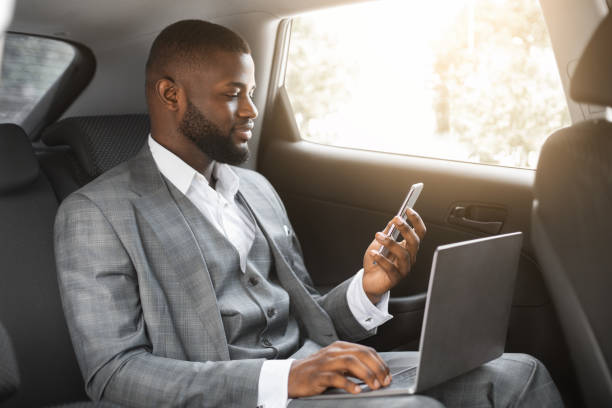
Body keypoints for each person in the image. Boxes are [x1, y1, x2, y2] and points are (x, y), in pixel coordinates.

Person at [54, 20, 563, 408]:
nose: (252, 110)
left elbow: (307, 320)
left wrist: (369, 287)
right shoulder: (95, 214)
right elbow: (113, 374)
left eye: (252, 92)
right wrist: (286, 379)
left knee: (521, 374)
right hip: (245, 397)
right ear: (171, 95)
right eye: (234, 95)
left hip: (318, 374)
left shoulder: (254, 188)